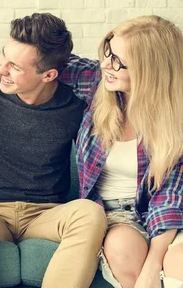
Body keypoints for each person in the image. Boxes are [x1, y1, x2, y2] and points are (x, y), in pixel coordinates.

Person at [0, 13, 107, 288]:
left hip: (45, 214)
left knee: (90, 213)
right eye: (2, 57)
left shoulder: (75, 105)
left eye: (15, 66)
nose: (2, 69)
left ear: (49, 74)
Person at [54, 16, 183, 288]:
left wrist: (153, 265)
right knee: (123, 251)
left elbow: (169, 198)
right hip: (114, 214)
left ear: (150, 71)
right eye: (108, 52)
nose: (105, 64)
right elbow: (39, 58)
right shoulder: (98, 83)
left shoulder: (174, 118)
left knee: (178, 263)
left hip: (170, 213)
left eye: (118, 61)